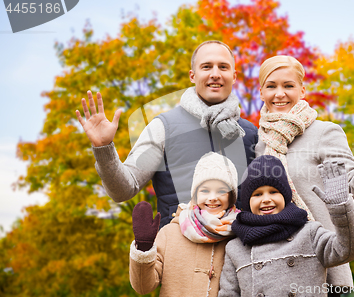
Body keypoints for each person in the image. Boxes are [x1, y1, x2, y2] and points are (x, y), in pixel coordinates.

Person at [255, 55, 354, 294]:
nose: (280, 93)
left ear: (302, 90)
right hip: (275, 277)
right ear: (261, 92)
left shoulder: (324, 132)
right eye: (271, 86)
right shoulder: (260, 145)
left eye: (288, 85)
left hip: (324, 271)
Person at [75, 40, 258, 228]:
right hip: (178, 250)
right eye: (206, 66)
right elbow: (123, 190)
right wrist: (104, 149)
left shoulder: (250, 134)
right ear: (192, 75)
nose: (215, 74)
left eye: (223, 67)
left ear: (234, 76)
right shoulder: (163, 128)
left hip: (237, 252)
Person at [218, 155, 354, 296]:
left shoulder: (309, 232)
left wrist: (341, 208)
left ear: (286, 196)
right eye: (257, 194)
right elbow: (228, 294)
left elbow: (350, 249)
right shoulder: (235, 248)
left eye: (273, 191)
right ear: (247, 202)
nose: (266, 199)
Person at [130, 152, 240, 297]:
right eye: (205, 190)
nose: (213, 198)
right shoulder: (169, 234)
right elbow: (143, 287)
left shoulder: (239, 235)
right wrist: (144, 248)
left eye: (221, 191)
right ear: (195, 194)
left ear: (231, 196)